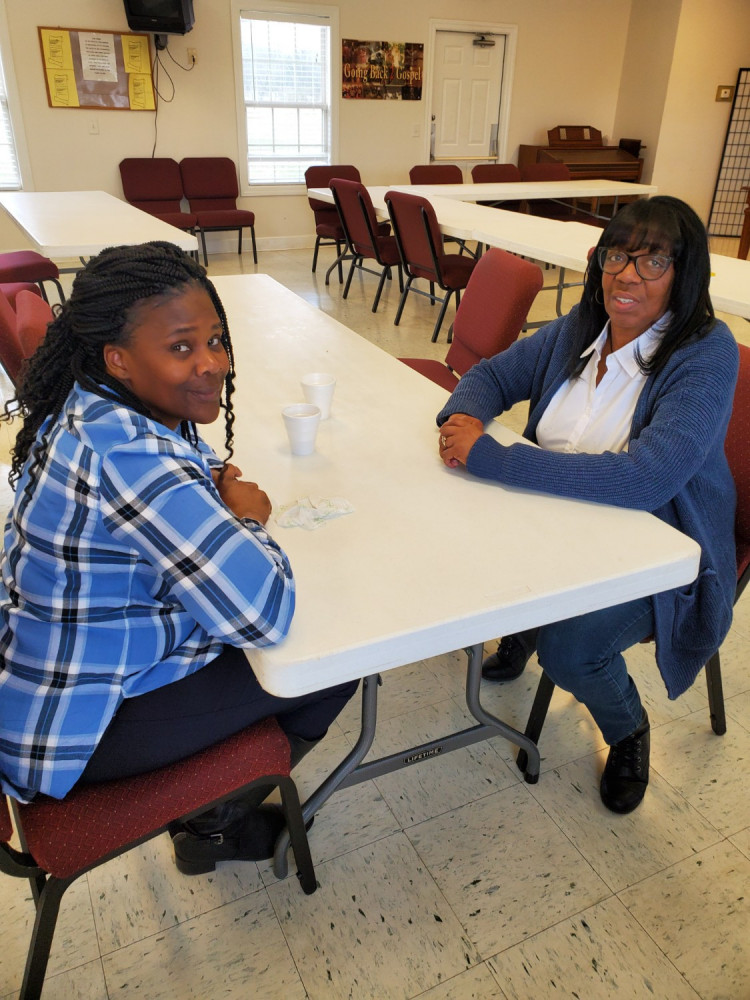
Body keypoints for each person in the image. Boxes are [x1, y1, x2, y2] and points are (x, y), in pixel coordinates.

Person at [0, 242, 358, 874]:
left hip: (49, 673)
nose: (212, 363)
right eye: (182, 347)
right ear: (118, 358)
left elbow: (184, 457)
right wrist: (246, 519)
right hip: (79, 726)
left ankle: (212, 813)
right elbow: (264, 613)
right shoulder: (128, 458)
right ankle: (214, 826)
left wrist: (208, 486)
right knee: (338, 656)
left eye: (215, 340)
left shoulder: (98, 403)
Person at [436, 196, 738, 813]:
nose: (627, 275)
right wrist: (463, 416)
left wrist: (492, 457)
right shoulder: (583, 325)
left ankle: (628, 729)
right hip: (559, 519)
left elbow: (647, 480)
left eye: (653, 261)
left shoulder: (705, 352)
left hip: (659, 544)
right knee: (455, 533)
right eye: (616, 256)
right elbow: (493, 375)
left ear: (685, 274)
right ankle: (527, 621)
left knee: (571, 652)